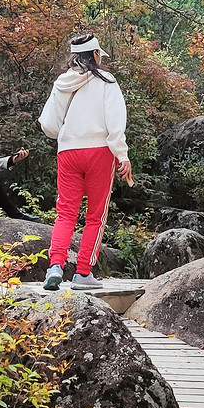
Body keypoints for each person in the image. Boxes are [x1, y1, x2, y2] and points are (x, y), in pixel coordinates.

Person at [38, 33, 132, 291]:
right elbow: (115, 122)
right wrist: (122, 154)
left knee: (65, 212)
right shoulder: (106, 80)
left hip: (68, 152)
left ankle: (54, 266)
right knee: (95, 216)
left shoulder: (62, 81)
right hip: (100, 151)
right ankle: (82, 273)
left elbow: (48, 124)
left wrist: (68, 134)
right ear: (95, 55)